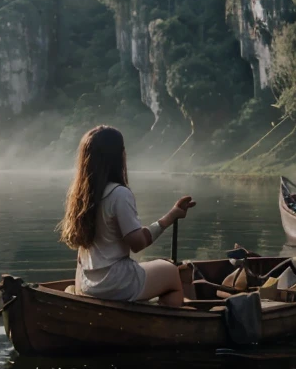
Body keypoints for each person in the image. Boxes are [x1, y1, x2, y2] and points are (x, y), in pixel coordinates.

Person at [57, 125, 197, 307]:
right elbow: (138, 243)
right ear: (119, 156)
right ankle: (161, 328)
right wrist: (171, 217)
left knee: (157, 268)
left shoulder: (80, 195)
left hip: (85, 282)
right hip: (114, 282)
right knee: (171, 272)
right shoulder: (119, 194)